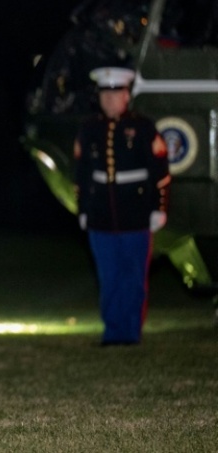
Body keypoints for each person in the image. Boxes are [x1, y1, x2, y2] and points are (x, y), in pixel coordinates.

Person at [74, 67, 171, 346]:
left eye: (115, 93)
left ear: (127, 96)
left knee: (133, 276)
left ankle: (129, 331)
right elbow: (81, 173)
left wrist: (159, 207)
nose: (109, 98)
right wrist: (83, 209)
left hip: (135, 212)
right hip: (101, 213)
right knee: (109, 275)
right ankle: (112, 330)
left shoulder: (143, 127)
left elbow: (160, 171)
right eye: (105, 93)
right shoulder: (89, 129)